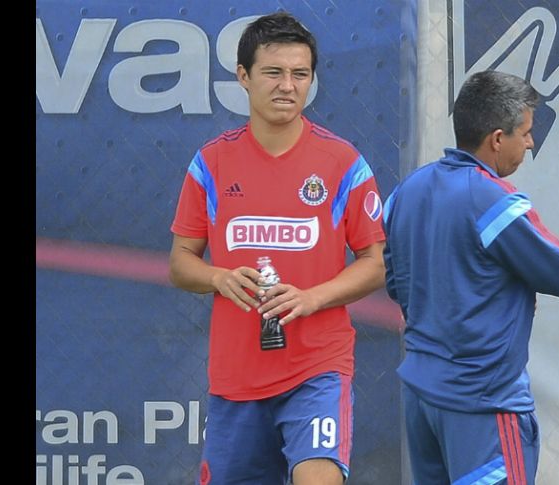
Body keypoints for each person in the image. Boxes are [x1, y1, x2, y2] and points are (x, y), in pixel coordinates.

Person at [382, 70, 559, 485]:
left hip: (421, 399)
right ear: (496, 138)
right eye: (525, 133)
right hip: (482, 407)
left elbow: (397, 282)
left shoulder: (409, 189)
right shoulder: (493, 200)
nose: (530, 142)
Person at [168, 12, 386, 485]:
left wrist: (312, 298)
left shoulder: (343, 162)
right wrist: (218, 277)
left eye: (300, 74)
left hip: (317, 367)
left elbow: (375, 264)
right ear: (243, 77)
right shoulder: (211, 163)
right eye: (273, 72)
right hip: (236, 377)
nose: (288, 86)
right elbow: (180, 263)